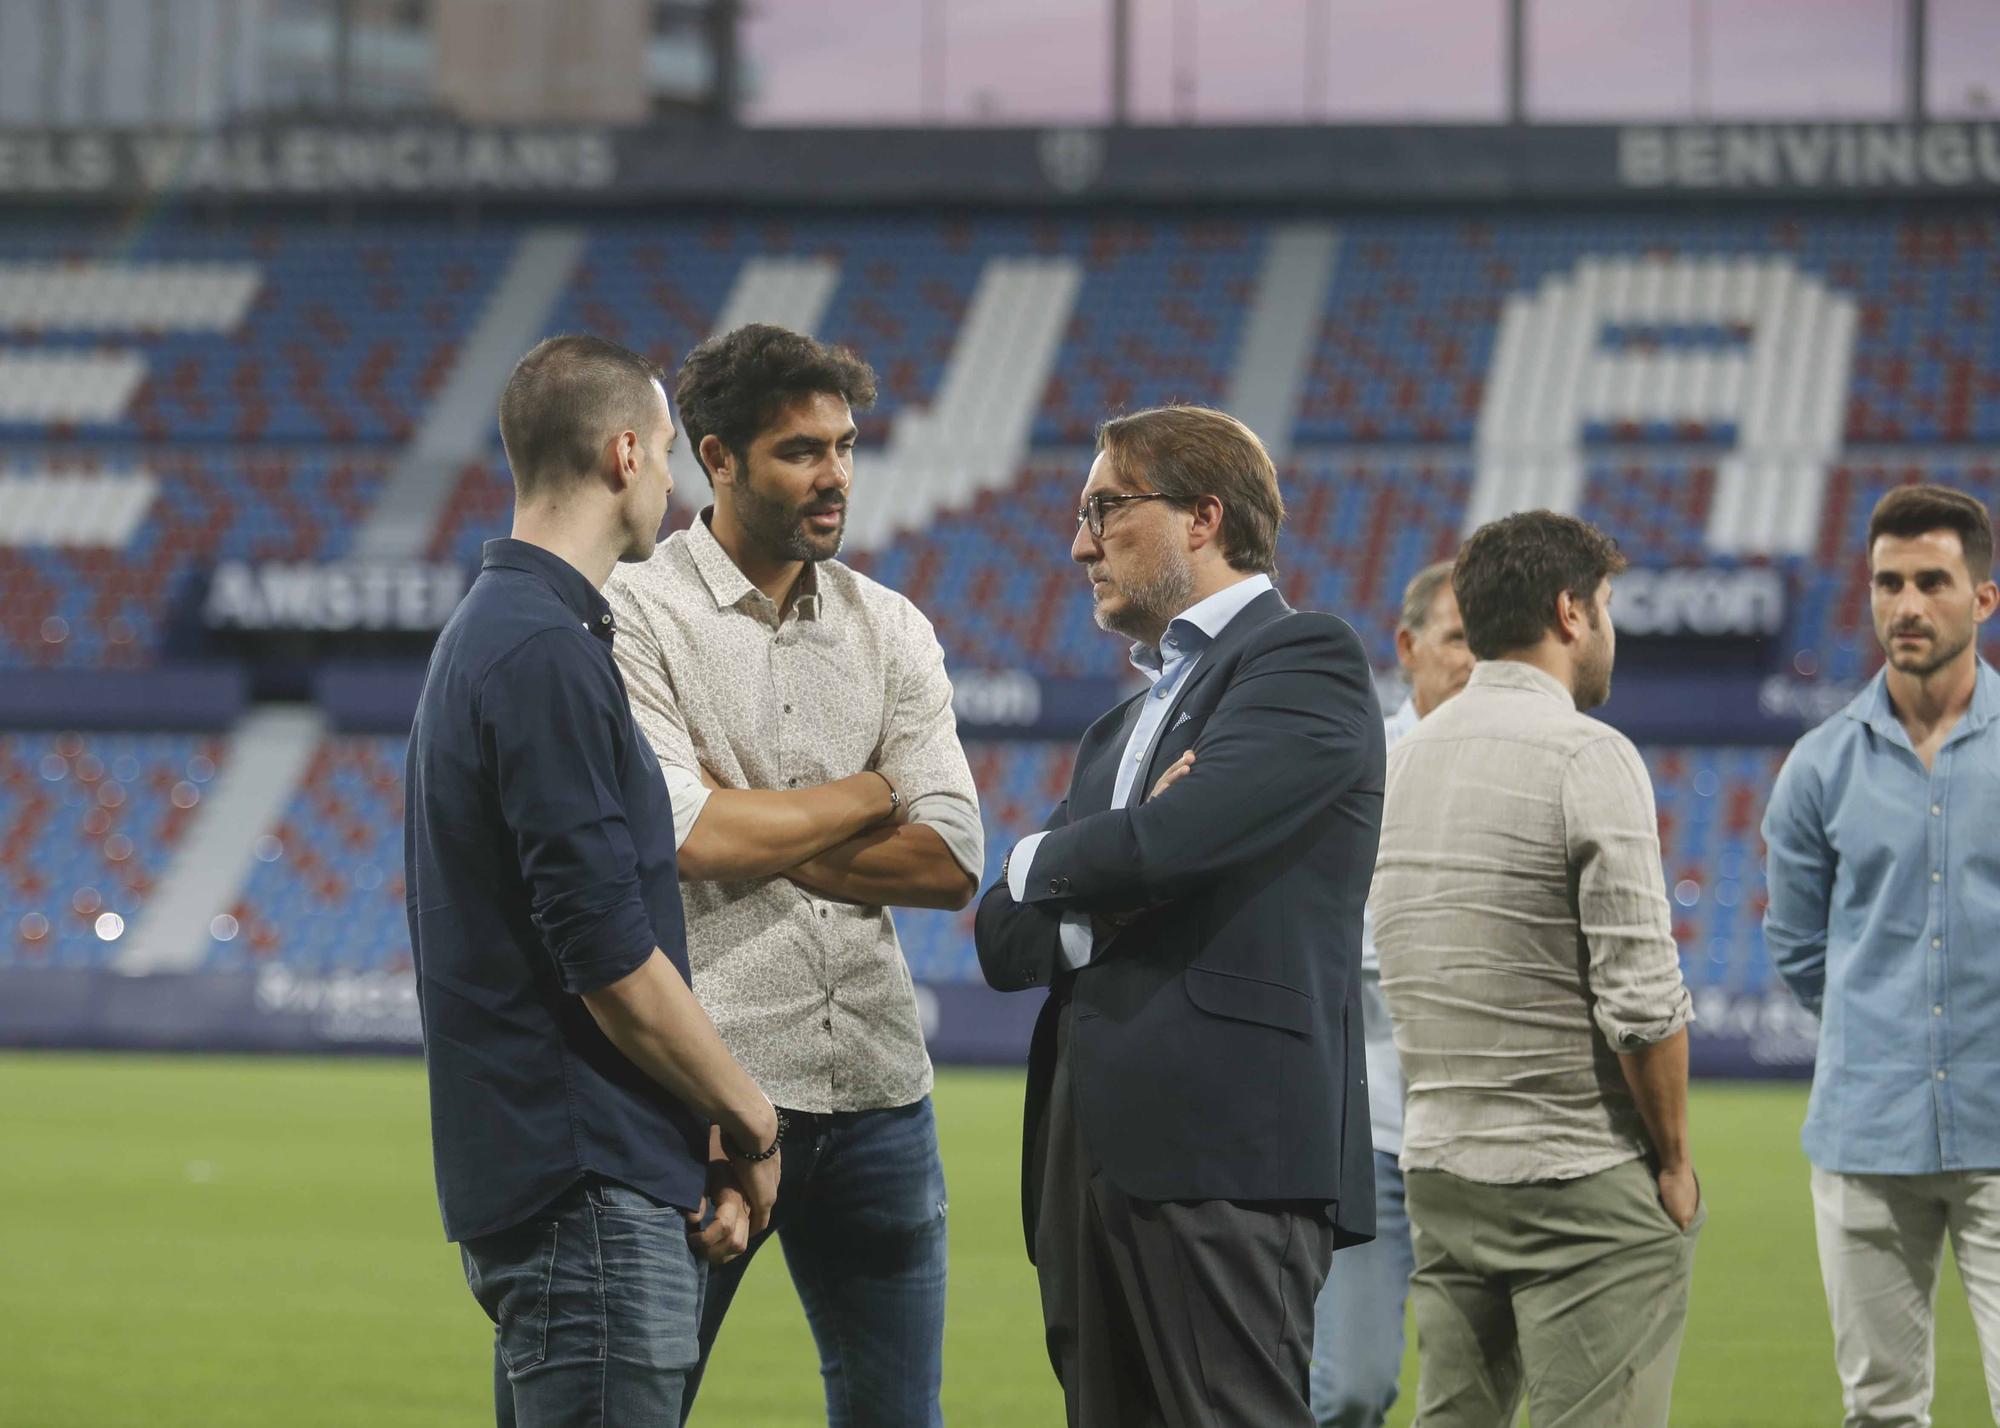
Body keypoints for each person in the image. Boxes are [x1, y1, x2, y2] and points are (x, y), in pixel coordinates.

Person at [974, 403, 1384, 1428]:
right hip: (1086, 1156)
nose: (1077, 545)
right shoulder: (1121, 725)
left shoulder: (1304, 661)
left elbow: (1170, 844)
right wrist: (1088, 898)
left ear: (1201, 516)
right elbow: (997, 933)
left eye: (1105, 510)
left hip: (1225, 1153)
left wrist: (1036, 858)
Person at [604, 323, 982, 1427]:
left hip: (879, 1093)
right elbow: (686, 839)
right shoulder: (634, 614)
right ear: (714, 460)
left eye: (846, 446)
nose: (835, 478)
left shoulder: (891, 627)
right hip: (706, 1100)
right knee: (638, 1408)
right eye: (800, 452)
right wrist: (870, 791)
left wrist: (743, 819)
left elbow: (952, 856)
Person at [404, 334, 782, 1428]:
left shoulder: (498, 636)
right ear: (624, 454)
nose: (670, 477)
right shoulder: (543, 654)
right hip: (589, 1198)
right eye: (666, 451)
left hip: (559, 1180)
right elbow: (607, 957)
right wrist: (751, 1121)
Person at [1371, 509, 1701, 1428]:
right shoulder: (1588, 755)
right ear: (1570, 612)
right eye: (1604, 605)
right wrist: (1674, 1162)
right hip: (1575, 1176)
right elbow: (1641, 1003)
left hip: (1440, 1167)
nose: (1607, 629)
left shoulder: (1401, 765)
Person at [1762, 483, 2000, 1427]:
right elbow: (1797, 943)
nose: (1906, 605)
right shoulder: (1819, 764)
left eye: (1932, 582)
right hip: (1867, 1135)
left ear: (1983, 597)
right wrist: (1881, 1029)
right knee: (1881, 1410)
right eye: (1887, 582)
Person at [1311, 558, 1473, 1428]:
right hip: (1371, 1138)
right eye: (1458, 638)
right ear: (1408, 647)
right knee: (1350, 1390)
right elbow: (1339, 942)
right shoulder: (1359, 770)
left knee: (1470, 1395)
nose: (1477, 661)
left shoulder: (1517, 769)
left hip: (1483, 1143)